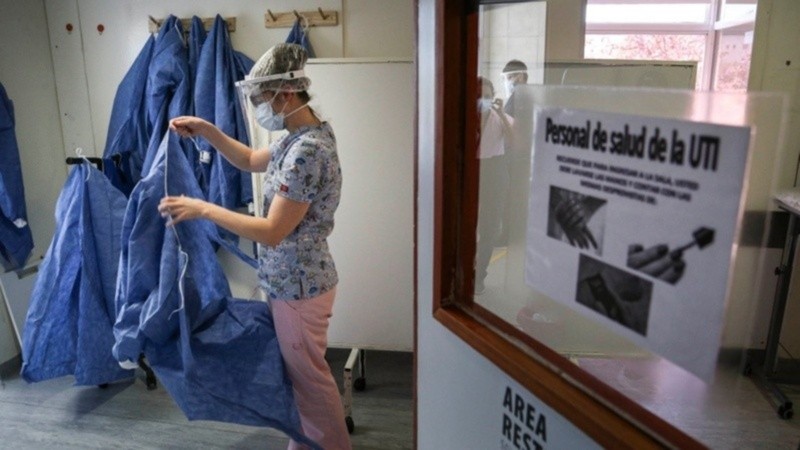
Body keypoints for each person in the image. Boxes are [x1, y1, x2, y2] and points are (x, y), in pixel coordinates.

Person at [158, 43, 351, 450]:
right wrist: (208, 130)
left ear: (285, 93)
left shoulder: (307, 152)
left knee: (311, 382)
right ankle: (305, 442)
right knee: (304, 380)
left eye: (262, 98)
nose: (261, 106)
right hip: (295, 282)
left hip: (300, 289)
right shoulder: (301, 136)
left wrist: (203, 208)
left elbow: (271, 231)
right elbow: (248, 159)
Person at [475, 77, 514, 295]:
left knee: (489, 228)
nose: (483, 100)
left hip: (495, 170)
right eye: (479, 96)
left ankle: (479, 277)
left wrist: (500, 114)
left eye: (488, 96)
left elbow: (516, 141)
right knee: (465, 225)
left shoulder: (501, 118)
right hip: (472, 169)